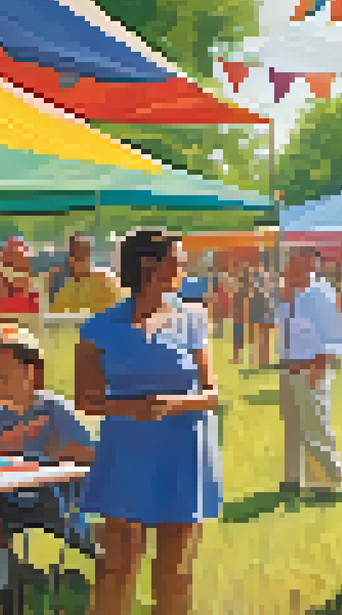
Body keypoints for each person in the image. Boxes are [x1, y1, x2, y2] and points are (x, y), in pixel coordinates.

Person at [76, 230, 222, 615]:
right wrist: (134, 408)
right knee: (117, 565)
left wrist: (171, 403)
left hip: (184, 451)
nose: (183, 265)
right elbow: (85, 400)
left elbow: (211, 393)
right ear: (148, 264)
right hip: (126, 452)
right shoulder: (97, 329)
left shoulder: (193, 319)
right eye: (177, 258)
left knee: (175, 572)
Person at [0, 323, 99, 573]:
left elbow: (91, 458)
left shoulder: (55, 410)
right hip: (7, 502)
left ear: (32, 372)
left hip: (52, 503)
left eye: (3, 375)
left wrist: (58, 456)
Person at [276, 249, 342, 500]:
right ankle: (293, 479)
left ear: (311, 263)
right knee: (293, 426)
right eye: (290, 261)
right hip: (289, 366)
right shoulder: (287, 292)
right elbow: (280, 325)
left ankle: (329, 483)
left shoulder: (321, 294)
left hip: (312, 366)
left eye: (299, 261)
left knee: (316, 424)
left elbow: (335, 334)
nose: (292, 267)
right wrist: (285, 295)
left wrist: (320, 366)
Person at [51, 234, 123, 317]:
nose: (81, 260)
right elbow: (56, 315)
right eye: (75, 255)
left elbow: (112, 312)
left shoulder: (103, 282)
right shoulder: (65, 290)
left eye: (84, 254)